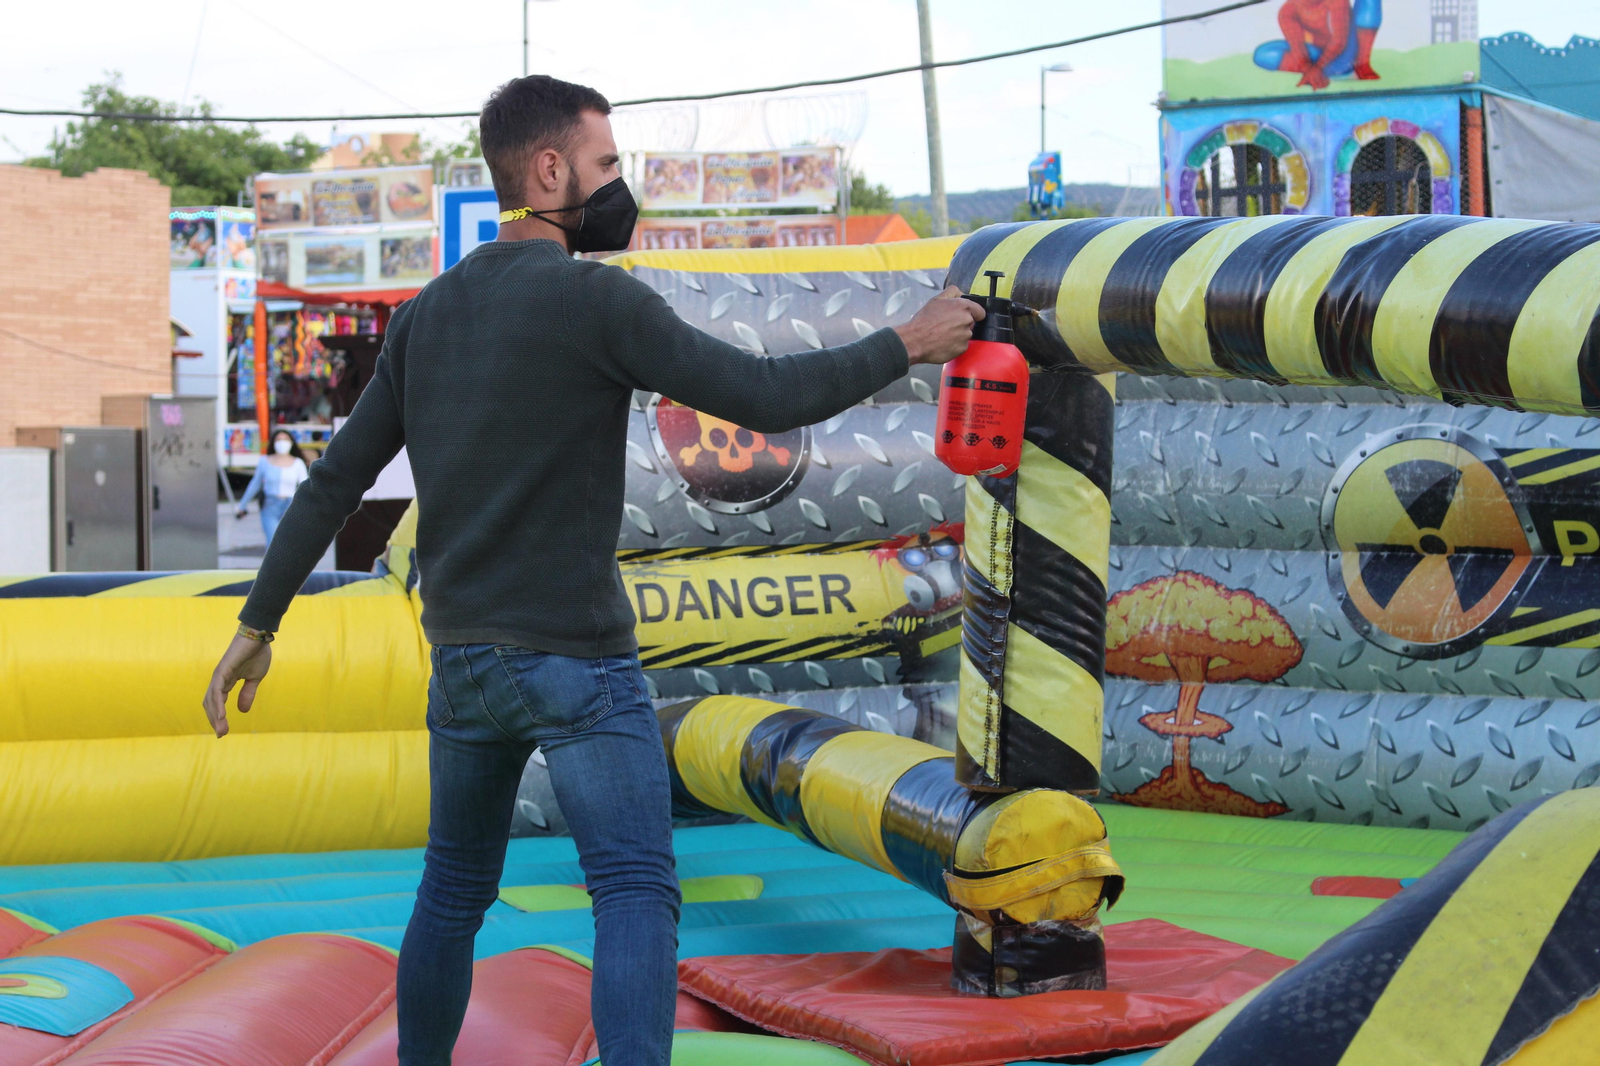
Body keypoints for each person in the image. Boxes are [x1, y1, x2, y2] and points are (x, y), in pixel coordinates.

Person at [201, 74, 982, 1066]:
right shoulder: (592, 300)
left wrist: (258, 625)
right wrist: (907, 342)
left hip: (466, 663)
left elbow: (332, 486)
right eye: (607, 165)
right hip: (575, 658)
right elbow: (760, 392)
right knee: (633, 888)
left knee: (450, 894)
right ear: (548, 169)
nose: (620, 185)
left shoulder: (425, 317)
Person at [235, 429, 310, 547]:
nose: (282, 442)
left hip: (291, 506)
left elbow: (305, 488)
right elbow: (255, 484)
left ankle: (287, 566)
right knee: (272, 543)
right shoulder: (264, 461)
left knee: (289, 544)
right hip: (270, 506)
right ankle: (271, 566)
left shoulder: (298, 463)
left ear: (291, 442)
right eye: (279, 439)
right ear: (273, 443)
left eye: (285, 439)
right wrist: (242, 505)